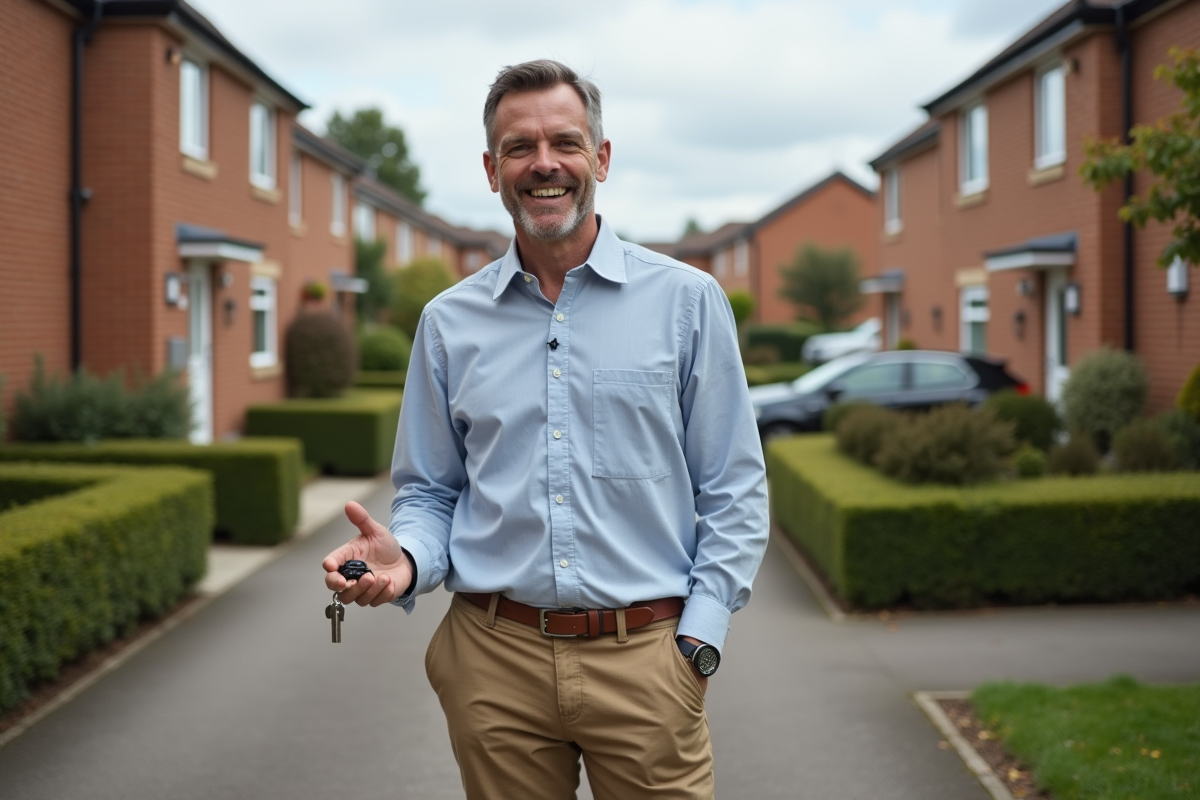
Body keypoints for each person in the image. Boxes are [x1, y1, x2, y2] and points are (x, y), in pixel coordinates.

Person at [322, 59, 768, 800]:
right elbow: (432, 491)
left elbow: (734, 486)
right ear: (493, 169)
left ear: (601, 157)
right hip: (494, 662)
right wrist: (405, 564)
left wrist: (700, 639)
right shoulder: (447, 323)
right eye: (520, 148)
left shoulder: (688, 302)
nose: (544, 164)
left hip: (650, 660)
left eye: (565, 141)